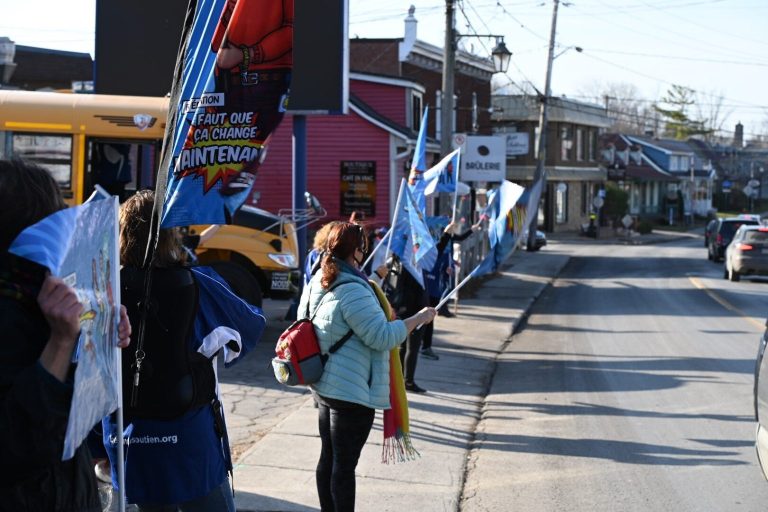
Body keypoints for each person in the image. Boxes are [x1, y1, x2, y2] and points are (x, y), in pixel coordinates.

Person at [106, 190, 262, 511]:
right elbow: (250, 326)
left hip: (124, 435)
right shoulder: (198, 282)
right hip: (187, 434)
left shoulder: (103, 286)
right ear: (171, 233)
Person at [0, 158, 131, 511]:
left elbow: (82, 418)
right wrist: (60, 343)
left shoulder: (36, 299)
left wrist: (98, 329)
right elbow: (19, 448)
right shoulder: (12, 314)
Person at [299, 222, 435, 512]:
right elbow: (382, 336)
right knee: (344, 467)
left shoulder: (318, 281)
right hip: (351, 392)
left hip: (324, 385)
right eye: (363, 245)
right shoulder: (354, 290)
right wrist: (418, 319)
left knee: (329, 458)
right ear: (357, 251)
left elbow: (302, 323)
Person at [420, 221, 482, 360]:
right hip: (424, 288)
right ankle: (423, 345)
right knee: (422, 318)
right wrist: (447, 234)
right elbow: (440, 246)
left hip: (435, 288)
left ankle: (425, 345)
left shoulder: (445, 253)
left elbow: (450, 262)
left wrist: (450, 269)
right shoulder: (426, 251)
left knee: (428, 318)